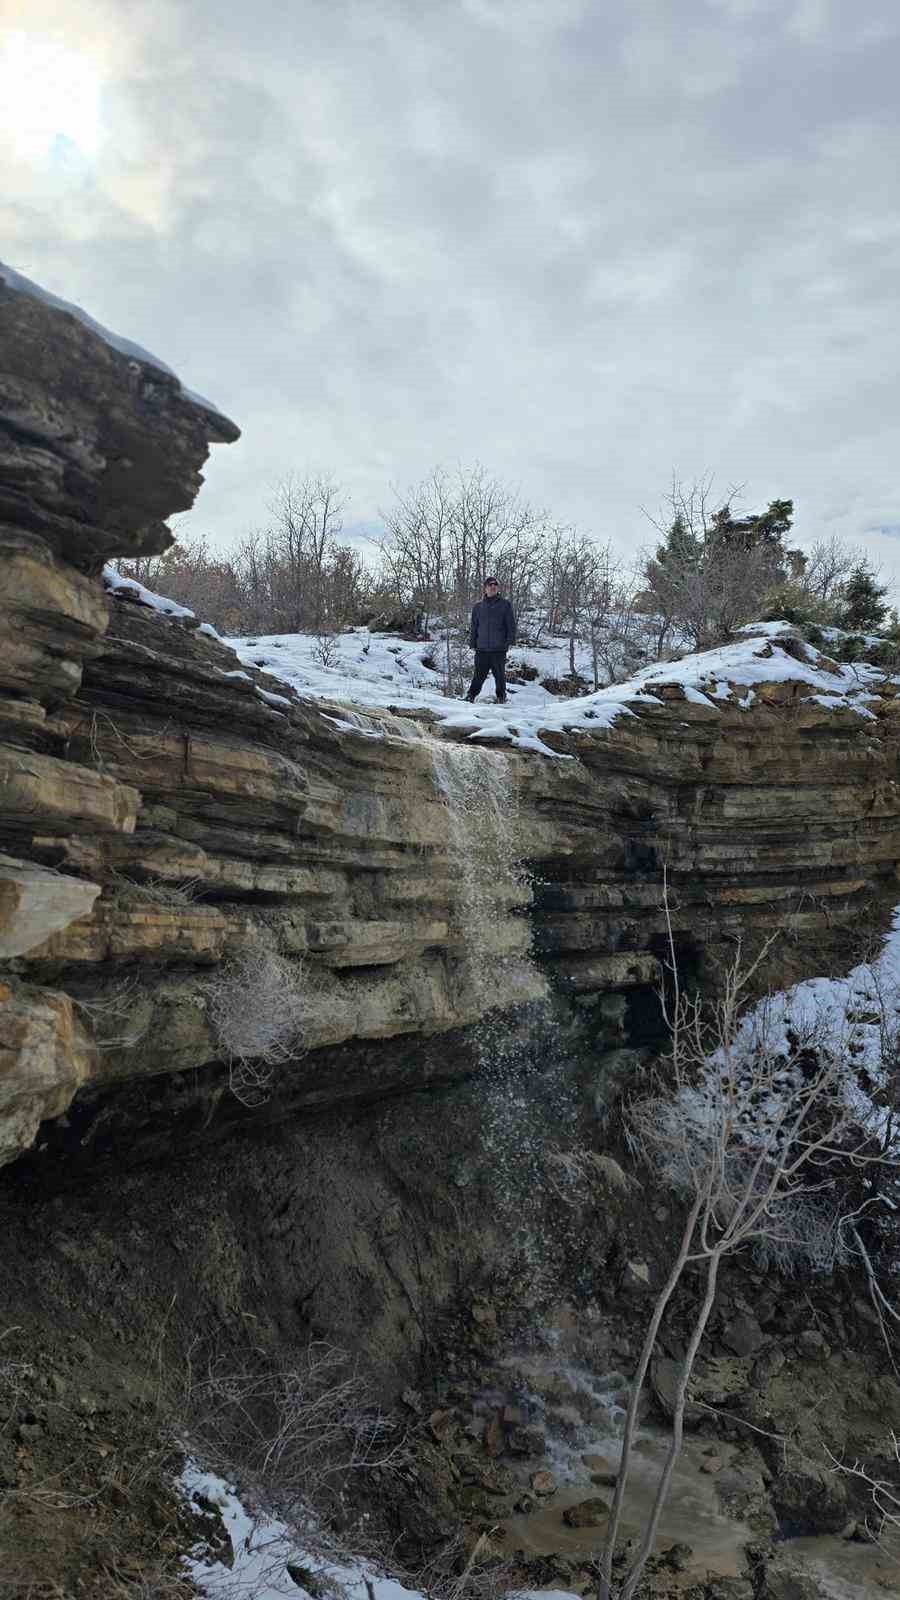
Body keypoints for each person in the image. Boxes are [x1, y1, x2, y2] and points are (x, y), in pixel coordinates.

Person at [465, 576, 516, 704]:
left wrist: (508, 642)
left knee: (499, 675)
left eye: (495, 585)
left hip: (498, 648)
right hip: (481, 648)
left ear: (497, 588)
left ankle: (501, 697)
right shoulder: (478, 607)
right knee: (478, 675)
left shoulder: (505, 605)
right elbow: (474, 626)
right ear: (485, 588)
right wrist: (473, 643)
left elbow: (511, 625)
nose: (493, 587)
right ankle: (471, 696)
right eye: (490, 585)